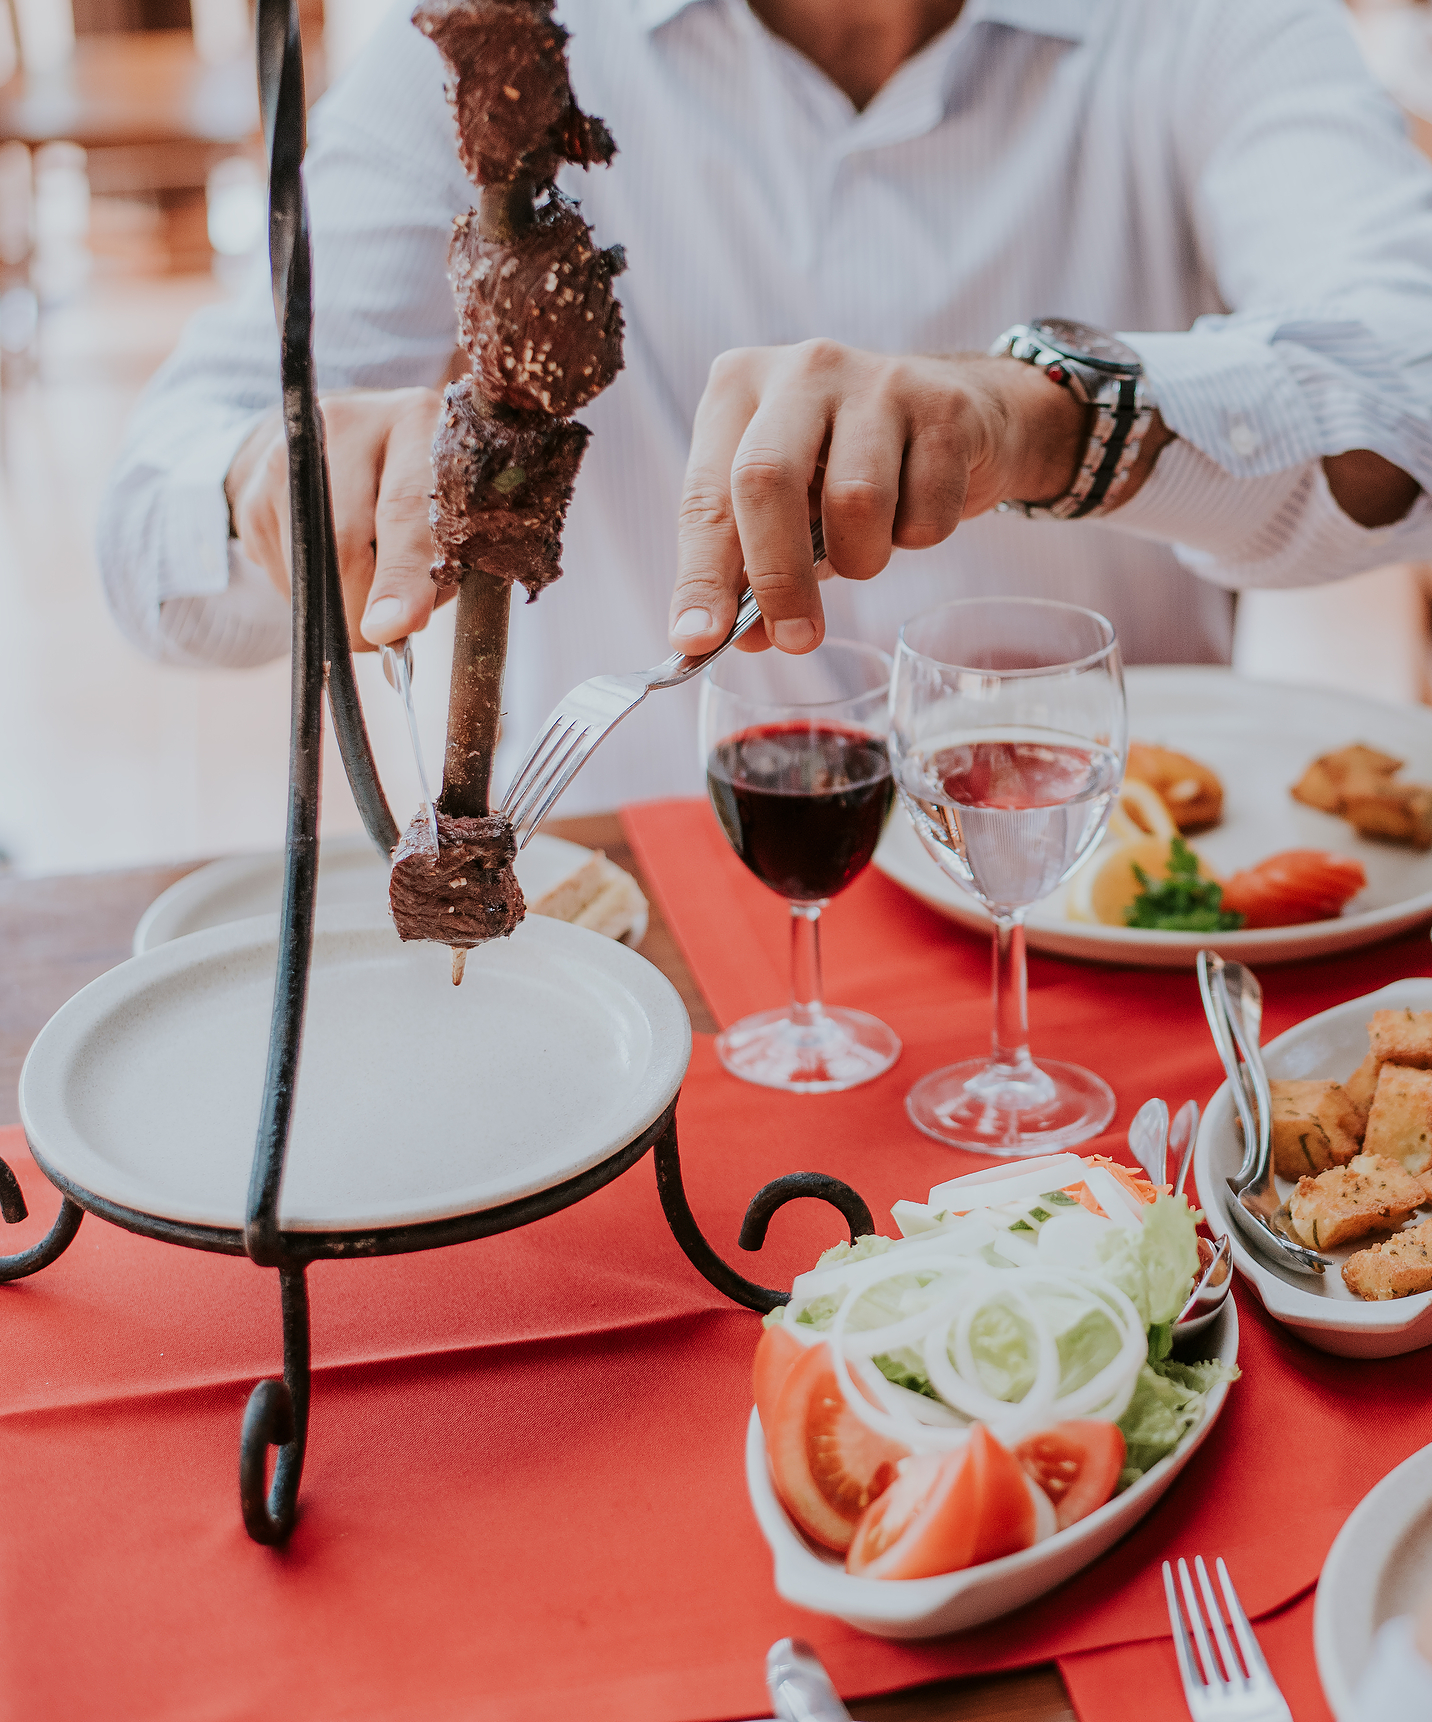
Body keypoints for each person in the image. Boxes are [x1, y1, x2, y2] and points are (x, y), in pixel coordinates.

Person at [100, 0, 1432, 814]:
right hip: (643, 910)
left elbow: (1410, 383)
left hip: (1079, 891)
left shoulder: (1211, 22)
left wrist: (1044, 416)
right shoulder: (485, 32)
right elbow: (146, 540)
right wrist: (266, 484)